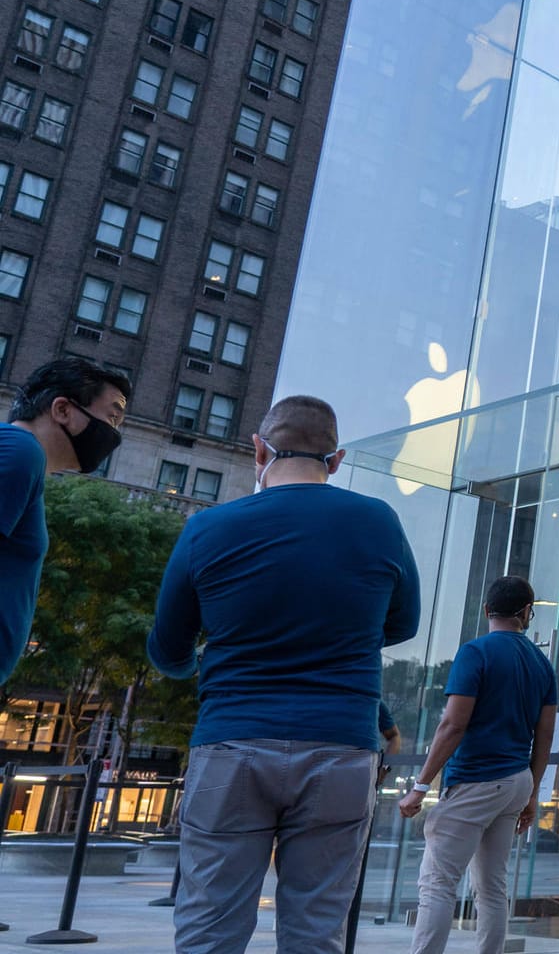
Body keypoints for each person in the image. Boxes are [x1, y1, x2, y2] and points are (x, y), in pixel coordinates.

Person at [148, 395, 421, 953]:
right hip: (341, 747)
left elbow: (167, 647)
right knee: (317, 930)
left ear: (258, 450)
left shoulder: (208, 528)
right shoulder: (378, 522)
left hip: (232, 741)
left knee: (209, 926)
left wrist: (195, 660)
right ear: (337, 459)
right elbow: (403, 623)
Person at [399, 576, 557, 954]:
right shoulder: (542, 663)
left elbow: (453, 724)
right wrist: (532, 793)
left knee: (438, 883)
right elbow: (545, 734)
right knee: (492, 885)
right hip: (516, 782)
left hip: (476, 780)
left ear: (487, 610)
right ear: (526, 613)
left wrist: (420, 786)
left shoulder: (475, 653)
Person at [0, 357, 129, 683]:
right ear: (62, 410)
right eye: (112, 416)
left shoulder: (24, 459)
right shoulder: (19, 450)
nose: (114, 433)